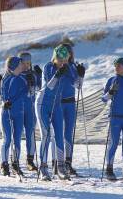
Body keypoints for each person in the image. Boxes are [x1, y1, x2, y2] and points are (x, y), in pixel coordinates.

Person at [35, 44, 74, 181]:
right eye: (60, 60)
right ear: (55, 58)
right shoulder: (48, 67)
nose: (63, 63)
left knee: (59, 134)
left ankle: (60, 167)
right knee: (46, 135)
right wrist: (58, 75)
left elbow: (76, 84)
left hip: (57, 105)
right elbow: (50, 86)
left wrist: (80, 74)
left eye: (65, 60)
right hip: (43, 103)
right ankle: (43, 168)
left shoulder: (67, 67)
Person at [50, 43, 85, 176]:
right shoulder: (55, 65)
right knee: (56, 133)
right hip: (58, 102)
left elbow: (78, 85)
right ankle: (56, 162)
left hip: (70, 103)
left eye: (69, 52)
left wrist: (81, 75)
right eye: (66, 52)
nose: (69, 55)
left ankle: (68, 163)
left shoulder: (72, 67)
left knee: (68, 134)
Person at [0, 57, 28, 176]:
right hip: (7, 111)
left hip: (19, 112)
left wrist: (31, 82)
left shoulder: (22, 78)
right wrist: (5, 102)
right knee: (7, 139)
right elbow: (3, 93)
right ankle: (4, 164)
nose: (22, 66)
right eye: (20, 65)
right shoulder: (6, 78)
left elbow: (26, 92)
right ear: (13, 66)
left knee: (17, 140)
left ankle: (15, 163)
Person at [18, 52, 42, 171]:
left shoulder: (32, 74)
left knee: (30, 134)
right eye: (24, 63)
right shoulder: (16, 75)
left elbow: (39, 89)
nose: (27, 66)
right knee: (17, 135)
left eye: (29, 63)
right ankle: (14, 160)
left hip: (30, 108)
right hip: (19, 108)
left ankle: (30, 160)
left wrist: (39, 76)